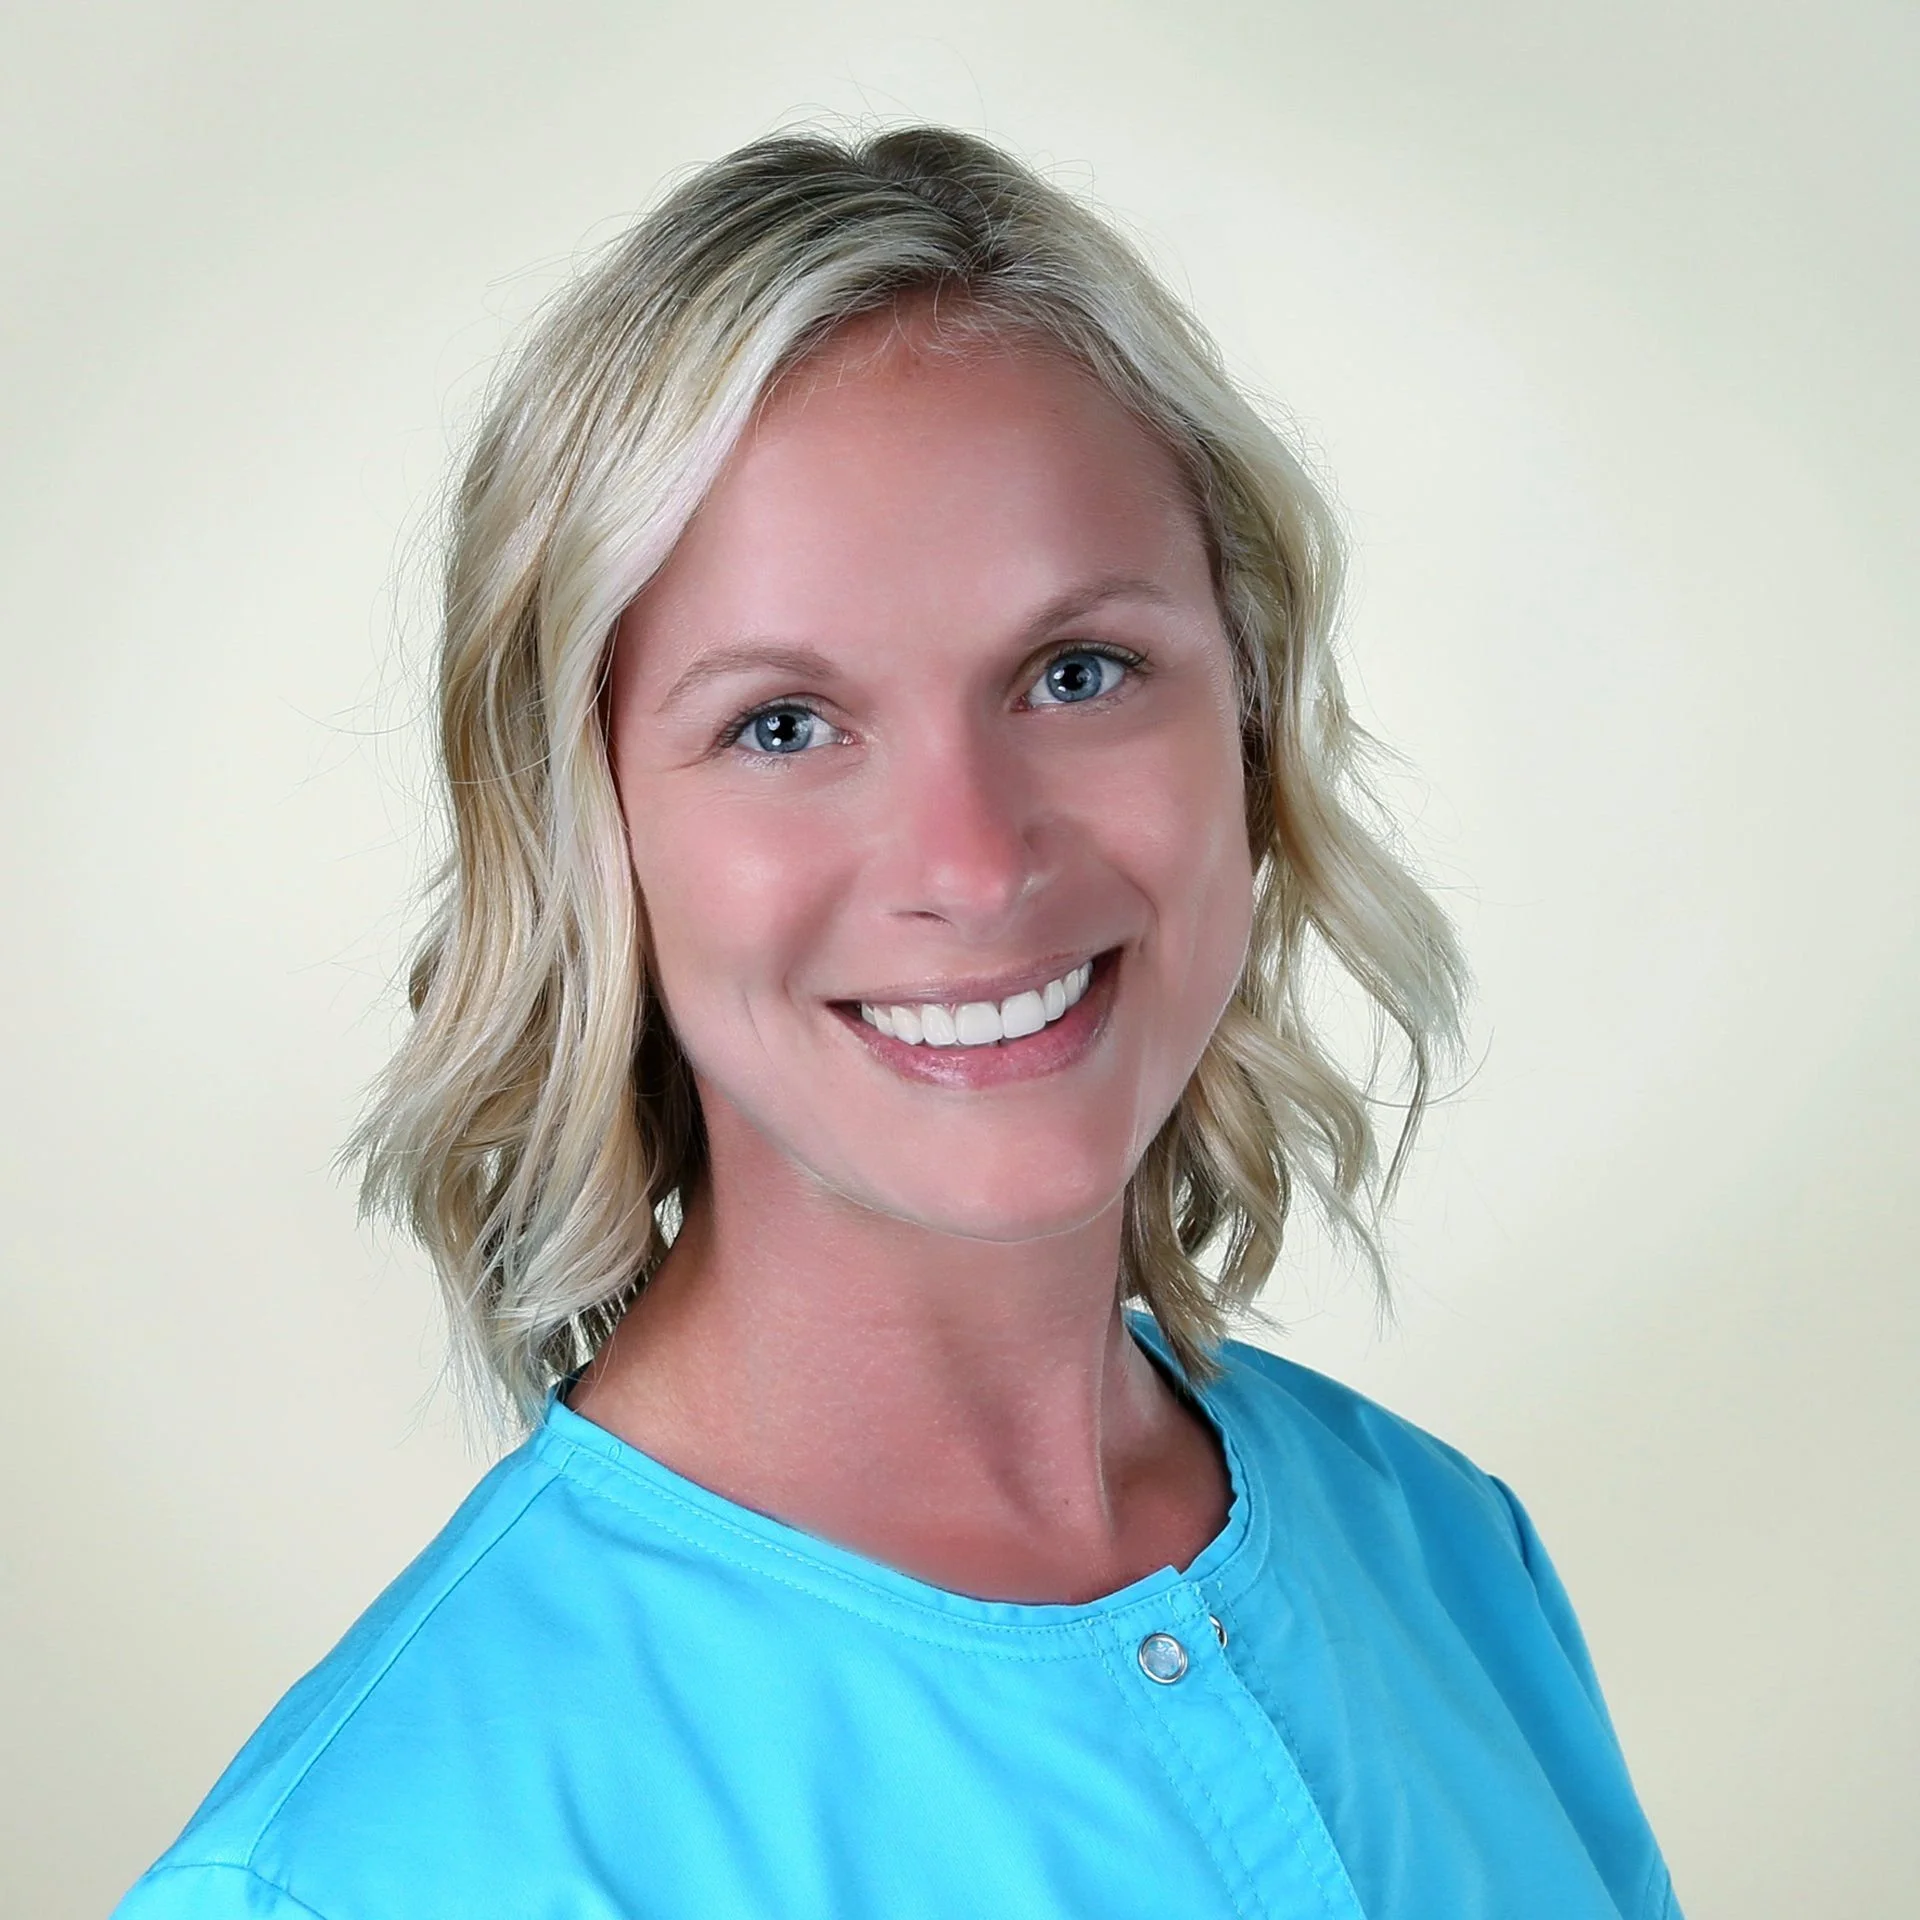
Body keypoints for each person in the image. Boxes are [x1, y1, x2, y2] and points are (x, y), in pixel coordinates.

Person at [113, 125, 1684, 1919]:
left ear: (1246, 726)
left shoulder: (1443, 1556)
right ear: (584, 835)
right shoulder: (371, 1875)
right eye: (785, 724)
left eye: (1078, 673)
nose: (972, 859)